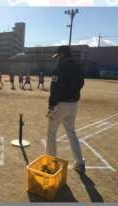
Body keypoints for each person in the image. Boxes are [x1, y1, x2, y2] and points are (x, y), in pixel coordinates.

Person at [46, 45, 85, 174]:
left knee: (51, 133)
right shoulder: (77, 66)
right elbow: (81, 83)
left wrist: (51, 106)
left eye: (58, 56)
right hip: (74, 104)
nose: (57, 58)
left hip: (61, 105)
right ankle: (79, 163)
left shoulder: (60, 67)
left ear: (62, 54)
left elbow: (55, 88)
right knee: (71, 132)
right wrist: (73, 92)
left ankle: (51, 162)